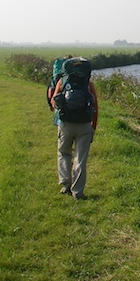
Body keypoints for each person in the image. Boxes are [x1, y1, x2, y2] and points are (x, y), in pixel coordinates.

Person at [51, 60, 98, 200]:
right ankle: (77, 192)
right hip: (84, 125)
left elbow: (54, 101)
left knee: (64, 153)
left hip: (66, 124)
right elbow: (95, 107)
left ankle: (65, 184)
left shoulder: (62, 82)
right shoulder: (89, 85)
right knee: (80, 159)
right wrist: (93, 127)